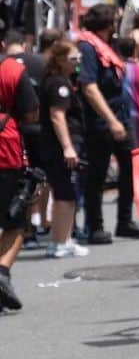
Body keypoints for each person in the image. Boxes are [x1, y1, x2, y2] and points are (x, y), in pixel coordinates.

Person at [78, 3, 139, 245]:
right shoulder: (87, 47)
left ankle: (125, 221)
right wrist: (110, 120)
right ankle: (95, 226)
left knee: (130, 169)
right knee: (97, 174)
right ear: (107, 24)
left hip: (122, 116)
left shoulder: (110, 45)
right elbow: (89, 87)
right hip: (101, 120)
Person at [38, 40, 89, 258]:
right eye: (73, 58)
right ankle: (61, 241)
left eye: (79, 58)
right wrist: (68, 147)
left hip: (56, 145)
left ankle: (62, 239)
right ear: (60, 60)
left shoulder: (60, 80)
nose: (77, 62)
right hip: (61, 146)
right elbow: (57, 116)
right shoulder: (58, 84)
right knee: (66, 194)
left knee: (64, 193)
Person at [0, 43, 40, 311]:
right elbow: (31, 113)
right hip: (6, 152)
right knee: (16, 221)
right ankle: (2, 271)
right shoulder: (12, 70)